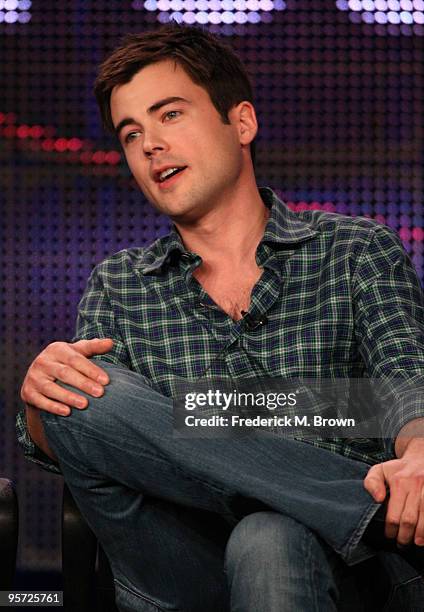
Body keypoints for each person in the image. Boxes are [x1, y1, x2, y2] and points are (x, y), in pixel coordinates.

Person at [17, 24, 424, 611]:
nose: (149, 143)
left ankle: (345, 519)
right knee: (85, 398)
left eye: (170, 115)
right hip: (183, 564)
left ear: (241, 123)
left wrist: (416, 455)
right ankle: (363, 513)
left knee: (269, 536)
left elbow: (405, 384)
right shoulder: (120, 282)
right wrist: (43, 399)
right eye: (131, 134)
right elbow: (84, 439)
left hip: (348, 578)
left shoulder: (355, 250)